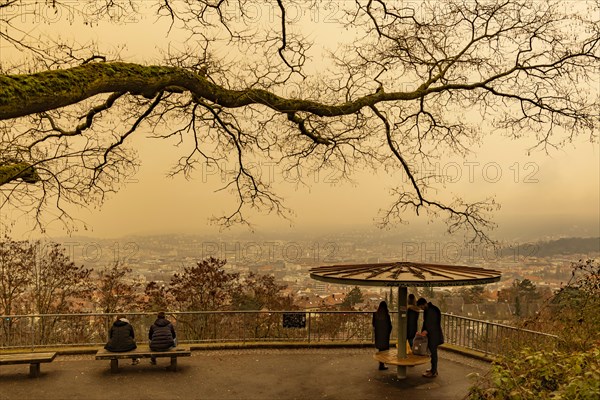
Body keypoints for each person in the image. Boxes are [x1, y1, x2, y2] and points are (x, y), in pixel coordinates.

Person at [417, 297, 444, 378]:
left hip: (434, 336)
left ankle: (433, 371)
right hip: (433, 335)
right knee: (433, 353)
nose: (421, 309)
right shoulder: (430, 309)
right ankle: (433, 369)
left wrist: (426, 331)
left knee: (433, 353)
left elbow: (431, 323)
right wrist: (424, 331)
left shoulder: (431, 311)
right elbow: (428, 323)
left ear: (424, 304)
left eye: (421, 307)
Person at [372, 301, 392, 370]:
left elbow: (373, 324)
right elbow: (390, 326)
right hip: (385, 334)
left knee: (380, 350)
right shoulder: (387, 315)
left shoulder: (375, 314)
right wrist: (388, 332)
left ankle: (381, 364)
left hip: (378, 334)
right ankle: (383, 364)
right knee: (384, 350)